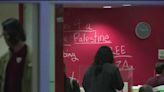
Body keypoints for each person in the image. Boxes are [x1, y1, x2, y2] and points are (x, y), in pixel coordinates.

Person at [0, 18, 32, 92]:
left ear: (11, 35)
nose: (5, 38)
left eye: (5, 35)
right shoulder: (3, 60)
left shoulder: (33, 58)